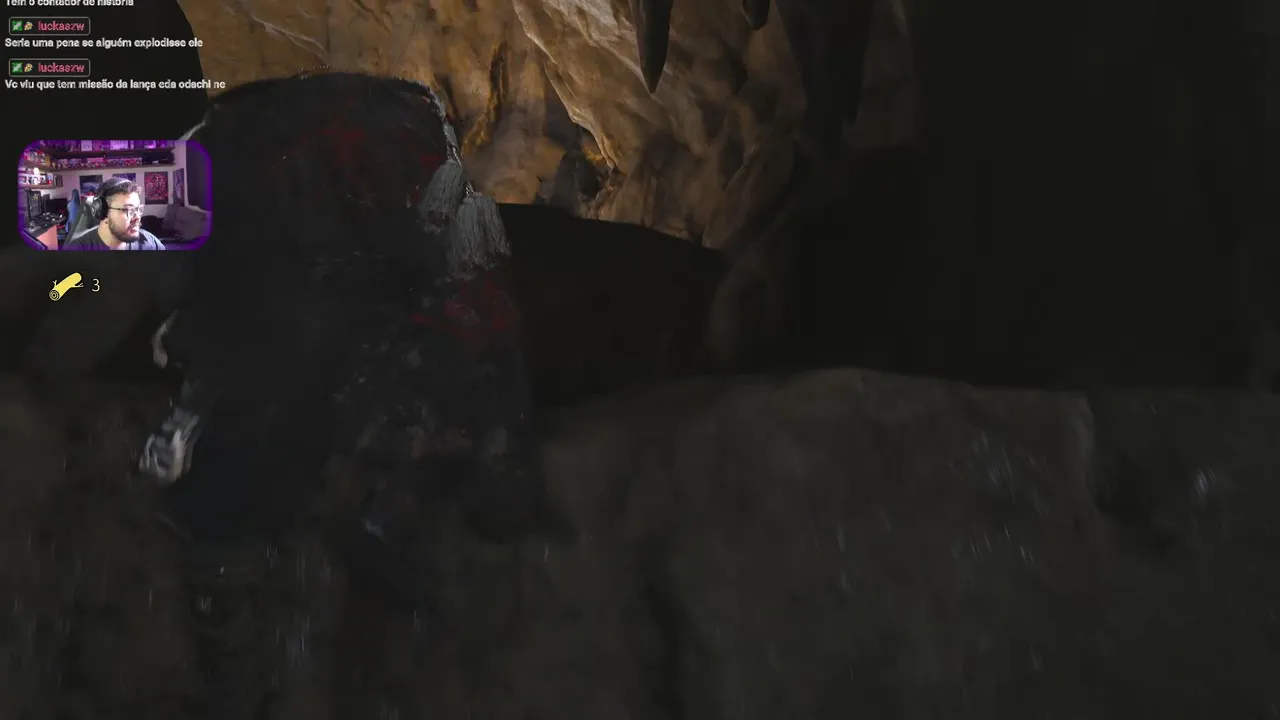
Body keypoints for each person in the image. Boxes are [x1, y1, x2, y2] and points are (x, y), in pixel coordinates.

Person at [137, 70, 545, 718]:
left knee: (221, 498)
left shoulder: (242, 161)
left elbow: (213, 303)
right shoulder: (394, 155)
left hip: (326, 333)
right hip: (358, 319)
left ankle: (239, 679)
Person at [61, 178, 165, 251]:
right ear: (103, 211)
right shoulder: (78, 250)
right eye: (128, 210)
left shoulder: (151, 244)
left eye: (138, 209)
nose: (137, 218)